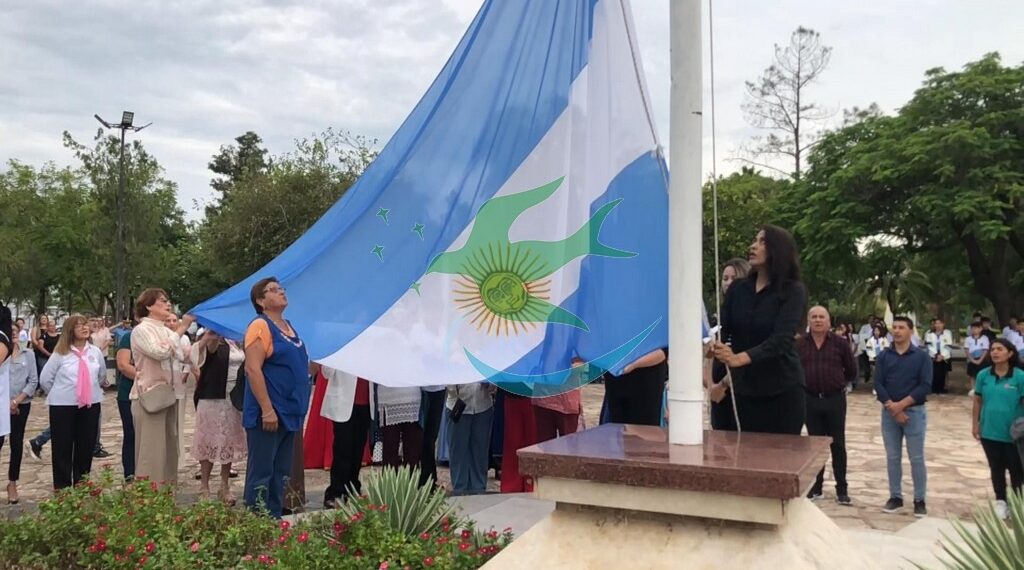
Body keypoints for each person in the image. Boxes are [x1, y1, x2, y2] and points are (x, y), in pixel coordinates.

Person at [713, 225, 808, 435]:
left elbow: (782, 340)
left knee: (780, 460)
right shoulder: (738, 289)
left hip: (782, 390)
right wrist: (711, 345)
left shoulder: (793, 291)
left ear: (778, 249)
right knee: (744, 457)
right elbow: (723, 329)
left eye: (762, 241)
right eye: (754, 240)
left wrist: (739, 358)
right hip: (744, 390)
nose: (753, 246)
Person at [242, 277, 312, 519]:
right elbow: (253, 369)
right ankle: (257, 523)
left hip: (291, 412)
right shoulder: (260, 326)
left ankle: (272, 519)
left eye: (281, 288)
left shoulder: (290, 328)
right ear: (261, 301)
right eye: (273, 290)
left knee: (281, 472)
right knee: (262, 471)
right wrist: (266, 409)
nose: (281, 292)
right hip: (269, 413)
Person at [130, 289, 194, 486]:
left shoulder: (166, 331)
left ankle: (167, 501)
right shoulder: (141, 330)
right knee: (152, 454)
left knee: (168, 453)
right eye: (162, 301)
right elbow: (159, 352)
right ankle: (149, 502)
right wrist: (182, 328)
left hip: (169, 395)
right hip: (150, 396)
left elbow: (183, 355)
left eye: (168, 301)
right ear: (149, 306)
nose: (168, 304)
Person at [38, 314, 109, 490]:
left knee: (85, 446)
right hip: (63, 405)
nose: (84, 328)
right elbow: (46, 379)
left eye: (86, 324)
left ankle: (82, 484)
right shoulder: (61, 353)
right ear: (70, 330)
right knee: (62, 447)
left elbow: (101, 376)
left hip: (90, 404)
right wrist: (61, 393)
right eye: (79, 326)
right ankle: (62, 488)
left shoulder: (95, 352)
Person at [799, 306, 857, 505]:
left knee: (837, 444)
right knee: (815, 445)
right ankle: (816, 487)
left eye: (821, 317)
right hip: (810, 399)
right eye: (813, 317)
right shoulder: (800, 344)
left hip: (835, 399)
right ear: (808, 320)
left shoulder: (840, 344)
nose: (817, 320)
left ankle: (842, 489)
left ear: (829, 321)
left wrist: (837, 383)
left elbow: (851, 370)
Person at [875, 316, 932, 517]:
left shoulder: (921, 356)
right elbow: (879, 384)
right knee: (892, 457)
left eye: (901, 327)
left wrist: (902, 405)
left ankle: (919, 499)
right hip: (889, 413)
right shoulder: (883, 356)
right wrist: (892, 407)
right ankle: (895, 496)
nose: (897, 331)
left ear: (911, 330)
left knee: (916, 457)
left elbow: (925, 385)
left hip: (914, 413)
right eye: (895, 327)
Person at [191, 330, 246, 504]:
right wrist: (211, 335)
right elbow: (210, 350)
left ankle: (224, 484)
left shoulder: (238, 340)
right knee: (209, 440)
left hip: (233, 396)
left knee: (228, 440)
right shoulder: (215, 339)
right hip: (213, 395)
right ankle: (204, 486)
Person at [971, 339, 1024, 520]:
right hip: (989, 431)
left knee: (1016, 469)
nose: (994, 352)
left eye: (999, 349)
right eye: (993, 349)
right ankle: (1000, 501)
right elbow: (978, 400)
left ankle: (1017, 504)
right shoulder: (983, 375)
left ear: (1010, 353)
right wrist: (975, 423)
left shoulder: (1019, 377)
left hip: (1014, 435)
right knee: (996, 467)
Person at [320, 369, 374, 509]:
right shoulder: (339, 349)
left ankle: (353, 489)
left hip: (366, 404)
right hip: (343, 403)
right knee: (342, 449)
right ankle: (336, 492)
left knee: (358, 450)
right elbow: (326, 373)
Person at [707, 258, 750, 430]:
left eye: (734, 278)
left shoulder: (749, 317)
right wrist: (711, 386)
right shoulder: (720, 319)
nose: (728, 283)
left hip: (741, 392)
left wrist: (724, 385)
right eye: (725, 278)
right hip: (718, 396)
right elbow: (709, 359)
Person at [2, 319, 39, 503]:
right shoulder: (2, 354)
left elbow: (33, 381)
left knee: (16, 445)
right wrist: (7, 402)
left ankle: (12, 483)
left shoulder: (29, 354)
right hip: (2, 404)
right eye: (10, 330)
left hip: (21, 404)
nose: (14, 333)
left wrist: (17, 401)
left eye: (16, 330)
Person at [447, 382, 494, 495]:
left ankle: (479, 491)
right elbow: (446, 379)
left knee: (480, 453)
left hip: (483, 406)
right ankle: (459, 492)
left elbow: (494, 380)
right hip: (458, 406)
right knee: (458, 453)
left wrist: (490, 383)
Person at [377, 384, 423, 470]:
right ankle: (389, 482)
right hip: (388, 398)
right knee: (390, 448)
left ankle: (412, 482)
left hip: (411, 397)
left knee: (412, 450)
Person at [114, 321, 137, 480]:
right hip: (128, 393)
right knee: (131, 434)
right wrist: (149, 377)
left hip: (155, 393)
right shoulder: (129, 337)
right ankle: (130, 474)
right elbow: (123, 365)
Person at [419, 385, 447, 487]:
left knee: (431, 437)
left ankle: (430, 478)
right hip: (421, 390)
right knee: (423, 438)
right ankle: (426, 477)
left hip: (439, 389)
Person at [925, 318, 953, 394]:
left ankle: (941, 389)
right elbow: (929, 346)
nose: (938, 325)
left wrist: (942, 355)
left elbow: (948, 345)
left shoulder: (947, 333)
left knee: (942, 373)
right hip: (933, 356)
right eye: (936, 323)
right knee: (934, 372)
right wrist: (936, 354)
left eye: (940, 323)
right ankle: (933, 389)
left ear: (943, 324)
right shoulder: (929, 333)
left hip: (944, 356)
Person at [965, 321, 990, 393]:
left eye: (976, 328)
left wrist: (980, 360)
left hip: (982, 359)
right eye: (972, 328)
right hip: (971, 359)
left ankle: (982, 388)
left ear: (980, 329)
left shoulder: (984, 338)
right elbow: (966, 350)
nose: (974, 330)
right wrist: (972, 360)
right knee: (972, 374)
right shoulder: (968, 339)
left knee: (983, 374)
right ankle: (973, 388)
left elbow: (985, 350)